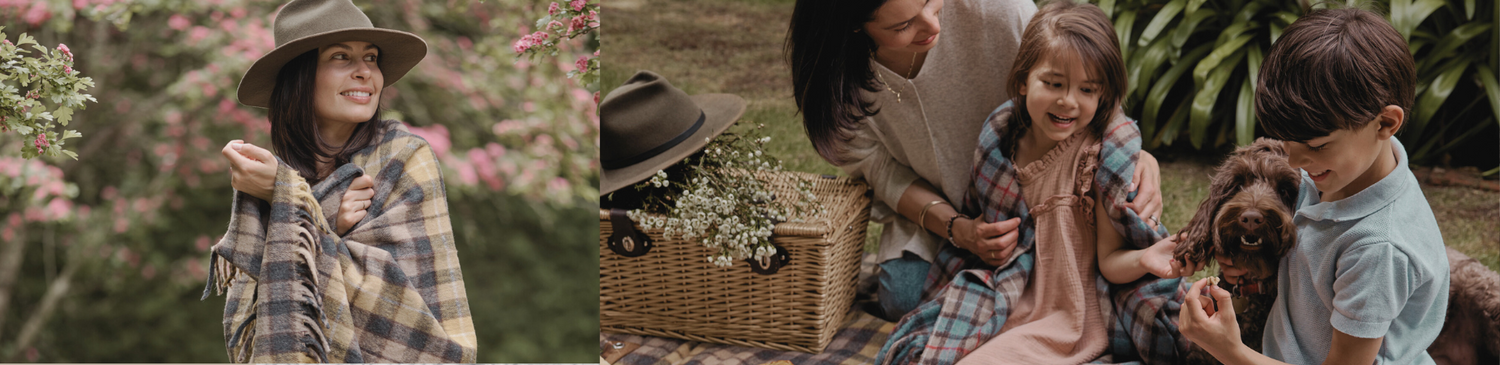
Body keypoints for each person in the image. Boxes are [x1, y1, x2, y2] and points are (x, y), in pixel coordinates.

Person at [786, 0, 1165, 322]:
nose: (932, 23)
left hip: (1046, 198)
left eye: (930, 2)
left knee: (1077, 295)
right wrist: (958, 228)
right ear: (852, 27)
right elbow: (882, 170)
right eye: (903, 24)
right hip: (939, 213)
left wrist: (1136, 154)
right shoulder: (838, 82)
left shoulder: (999, 11)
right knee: (902, 297)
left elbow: (1083, 78)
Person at [879, 2, 1188, 363]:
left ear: (1103, 94)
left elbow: (1110, 262)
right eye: (1054, 83)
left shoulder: (1097, 160)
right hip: (1015, 298)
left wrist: (1146, 257)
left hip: (1074, 319)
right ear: (1024, 80)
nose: (1067, 101)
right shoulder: (999, 145)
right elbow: (984, 221)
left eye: (1087, 90)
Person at [205, 0, 476, 362]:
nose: (365, 72)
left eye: (371, 58)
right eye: (341, 57)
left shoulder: (404, 158)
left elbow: (409, 309)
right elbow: (260, 305)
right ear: (300, 76)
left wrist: (297, 206)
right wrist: (321, 214)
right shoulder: (279, 177)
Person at [1175, 8, 1449, 365]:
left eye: (1317, 146)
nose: (1294, 163)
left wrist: (1228, 350)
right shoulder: (1349, 168)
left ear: (1385, 122)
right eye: (1287, 142)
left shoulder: (1379, 250)